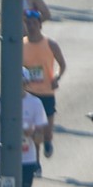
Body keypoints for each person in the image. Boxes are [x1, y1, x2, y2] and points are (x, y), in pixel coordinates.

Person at [0, 70, 49, 187]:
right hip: (4, 158)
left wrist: (30, 133)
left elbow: (40, 138)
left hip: (26, 160)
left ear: (26, 83)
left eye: (20, 83)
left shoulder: (35, 103)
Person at [22, 9, 67, 158]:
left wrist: (56, 77)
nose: (31, 26)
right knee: (34, 131)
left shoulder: (50, 44)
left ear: (40, 25)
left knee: (46, 132)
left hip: (47, 92)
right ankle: (36, 161)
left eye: (34, 23)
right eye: (28, 23)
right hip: (29, 92)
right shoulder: (21, 45)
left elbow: (62, 64)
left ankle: (48, 141)